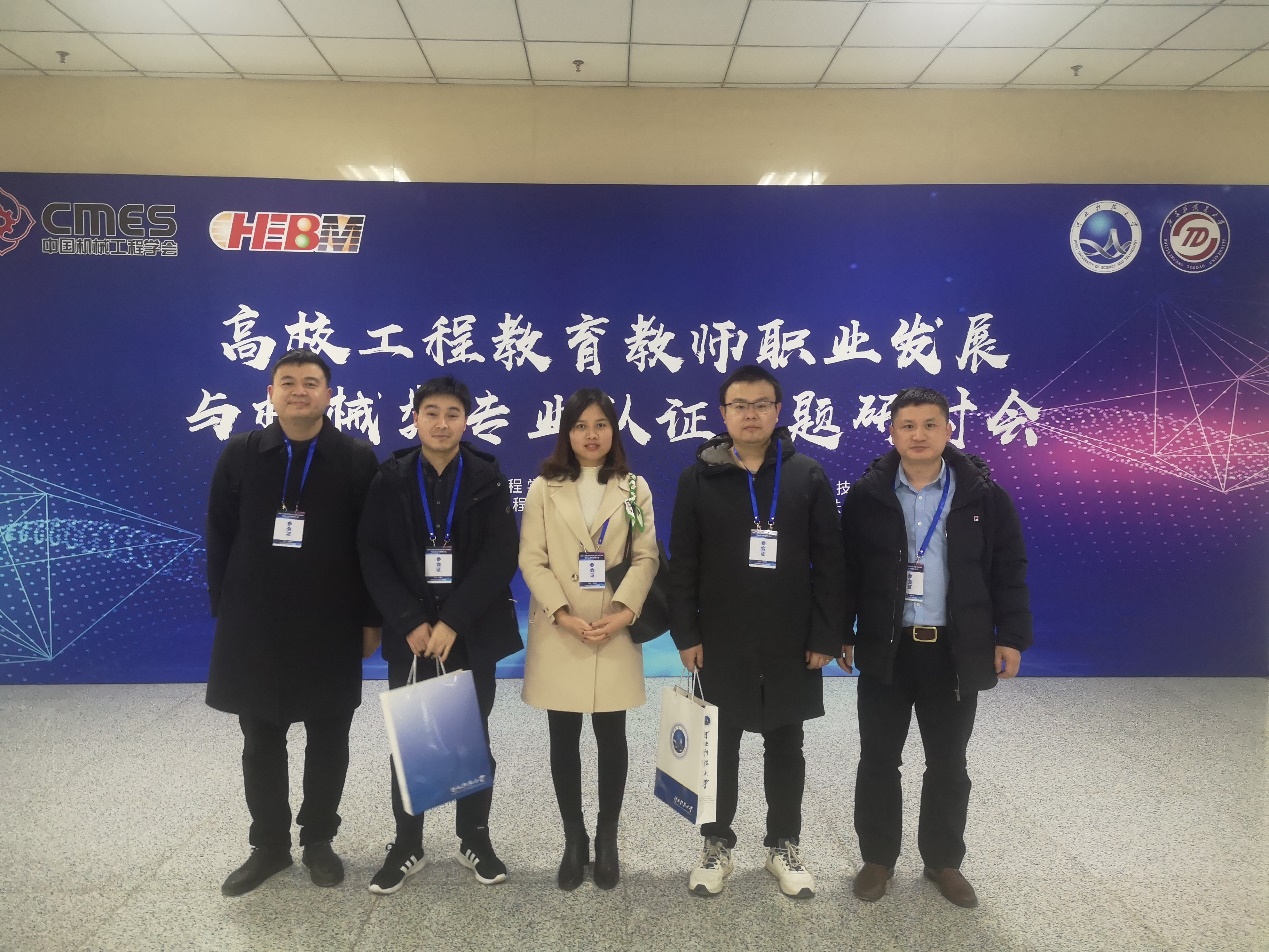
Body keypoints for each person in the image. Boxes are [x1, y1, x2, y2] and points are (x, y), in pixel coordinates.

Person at [839, 386, 1032, 909]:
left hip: (954, 649)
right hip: (888, 647)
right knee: (879, 758)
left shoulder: (983, 497)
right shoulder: (868, 496)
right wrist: (841, 632)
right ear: (892, 433)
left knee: (948, 761)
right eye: (907, 425)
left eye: (930, 424)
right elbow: (846, 571)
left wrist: (1011, 637)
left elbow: (1008, 569)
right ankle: (878, 858)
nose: (919, 435)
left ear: (949, 430)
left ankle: (943, 861)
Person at [205, 348, 381, 897]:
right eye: (287, 382)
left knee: (329, 736)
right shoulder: (241, 453)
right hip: (254, 623)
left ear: (329, 394)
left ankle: (319, 840)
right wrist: (226, 611)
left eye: (310, 382)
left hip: (330, 620)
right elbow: (219, 534)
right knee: (261, 738)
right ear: (271, 393)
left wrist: (370, 619)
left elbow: (372, 546)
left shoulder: (355, 458)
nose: (298, 391)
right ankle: (270, 846)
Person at [667, 364, 845, 899]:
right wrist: (685, 634)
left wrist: (825, 636)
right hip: (721, 637)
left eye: (761, 404)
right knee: (718, 745)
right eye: (739, 405)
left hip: (792, 637)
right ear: (723, 414)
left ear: (777, 411)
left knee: (787, 742)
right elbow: (683, 563)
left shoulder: (806, 475)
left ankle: (782, 844)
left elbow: (830, 563)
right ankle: (716, 843)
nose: (751, 414)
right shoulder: (698, 478)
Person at [357, 375, 522, 895]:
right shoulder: (389, 479)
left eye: (452, 414)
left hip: (469, 632)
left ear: (466, 421)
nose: (442, 423)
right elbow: (372, 554)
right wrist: (409, 620)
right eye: (431, 413)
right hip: (411, 635)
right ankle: (407, 843)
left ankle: (475, 838)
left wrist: (454, 621)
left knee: (471, 736)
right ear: (415, 419)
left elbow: (501, 556)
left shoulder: (488, 477)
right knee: (411, 736)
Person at [519, 389, 658, 891]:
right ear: (567, 433)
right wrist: (562, 613)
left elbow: (646, 556)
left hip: (614, 627)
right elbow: (531, 558)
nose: (591, 434)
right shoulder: (543, 488)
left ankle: (606, 838)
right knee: (563, 737)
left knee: (611, 735)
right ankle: (573, 838)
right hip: (562, 628)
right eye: (581, 426)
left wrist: (623, 613)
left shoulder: (633, 488)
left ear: (613, 431)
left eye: (601, 424)